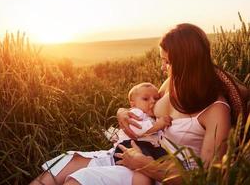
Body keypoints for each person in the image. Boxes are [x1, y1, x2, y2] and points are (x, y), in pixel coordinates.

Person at [30, 23, 245, 185]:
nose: (163, 68)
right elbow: (145, 106)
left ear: (186, 64)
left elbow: (207, 177)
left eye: (168, 62)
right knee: (60, 166)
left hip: (156, 172)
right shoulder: (173, 84)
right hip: (133, 152)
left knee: (77, 181)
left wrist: (145, 165)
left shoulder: (216, 111)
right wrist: (122, 112)